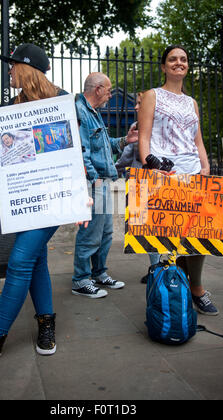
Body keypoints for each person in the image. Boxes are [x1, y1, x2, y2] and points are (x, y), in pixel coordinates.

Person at [0, 43, 91, 374]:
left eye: (12, 65)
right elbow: (16, 154)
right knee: (37, 259)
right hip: (28, 196)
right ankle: (46, 323)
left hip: (55, 195)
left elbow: (79, 151)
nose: (9, 71)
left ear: (26, 68)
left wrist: (81, 197)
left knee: (18, 260)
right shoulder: (15, 105)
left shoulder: (65, 100)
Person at [138, 45, 219, 315]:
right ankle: (173, 290)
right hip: (165, 173)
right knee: (168, 239)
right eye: (172, 59)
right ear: (163, 66)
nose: (178, 63)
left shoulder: (191, 102)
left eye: (183, 59)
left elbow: (197, 139)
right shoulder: (152, 96)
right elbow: (145, 137)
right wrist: (150, 164)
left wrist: (205, 165)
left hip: (194, 172)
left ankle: (196, 288)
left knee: (200, 234)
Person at [72, 72, 138, 298]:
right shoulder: (80, 112)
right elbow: (82, 152)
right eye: (109, 90)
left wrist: (124, 141)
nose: (110, 95)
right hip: (94, 183)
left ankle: (99, 273)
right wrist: (95, 180)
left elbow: (102, 145)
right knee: (90, 234)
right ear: (98, 89)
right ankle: (81, 280)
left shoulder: (94, 113)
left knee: (106, 233)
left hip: (102, 181)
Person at [115, 92, 160, 282]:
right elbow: (126, 157)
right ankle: (157, 268)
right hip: (141, 184)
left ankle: (160, 269)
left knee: (156, 227)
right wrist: (115, 168)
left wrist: (116, 167)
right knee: (147, 229)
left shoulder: (149, 127)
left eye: (139, 103)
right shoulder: (137, 126)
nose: (135, 107)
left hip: (153, 183)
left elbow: (126, 159)